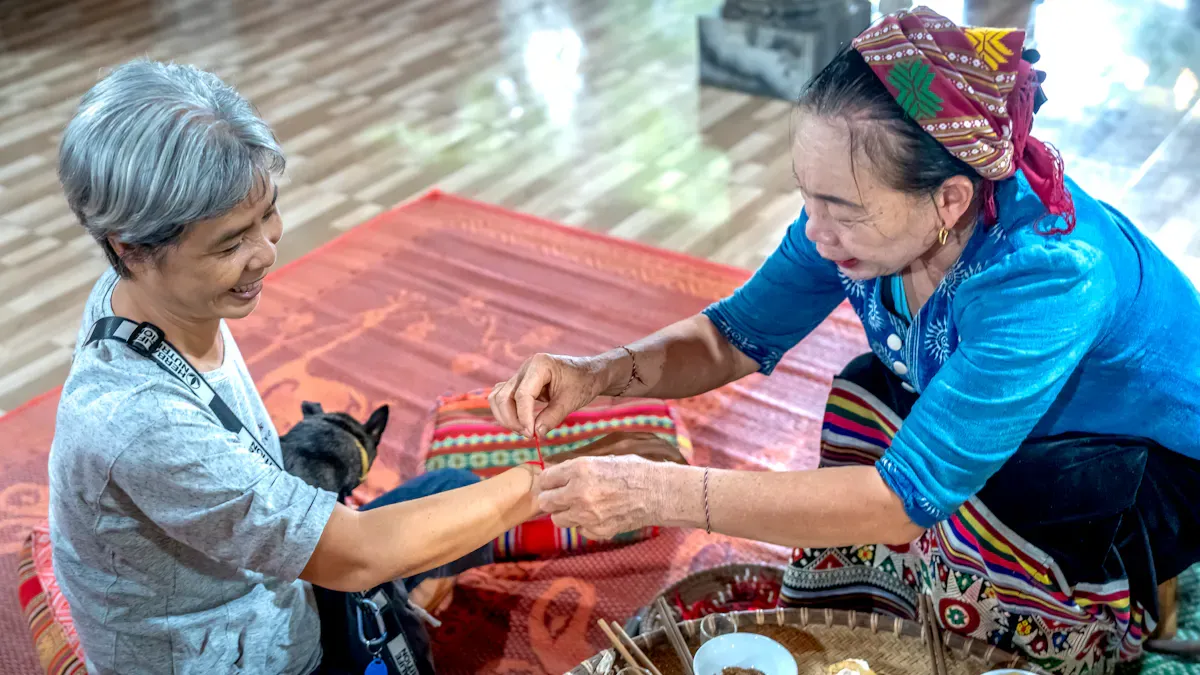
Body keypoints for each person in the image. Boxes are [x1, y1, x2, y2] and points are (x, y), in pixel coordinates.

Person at [489, 8, 1200, 673]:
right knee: (868, 392)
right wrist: (597, 374)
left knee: (973, 480)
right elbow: (734, 335)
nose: (816, 232)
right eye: (807, 195)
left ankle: (1065, 630)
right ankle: (886, 620)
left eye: (842, 210)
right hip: (1032, 424)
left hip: (1147, 468)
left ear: (949, 199)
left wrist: (662, 492)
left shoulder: (1046, 274)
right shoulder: (856, 222)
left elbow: (900, 498)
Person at [48, 60, 539, 675]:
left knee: (456, 494)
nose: (266, 252)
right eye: (230, 244)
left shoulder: (157, 293)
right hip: (243, 656)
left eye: (268, 214)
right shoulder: (139, 420)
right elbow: (354, 557)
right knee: (460, 520)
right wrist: (549, 485)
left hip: (279, 578)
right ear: (130, 248)